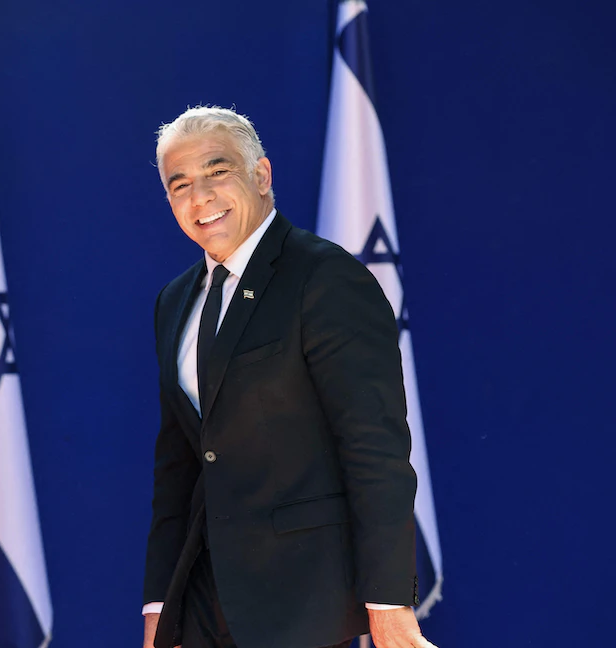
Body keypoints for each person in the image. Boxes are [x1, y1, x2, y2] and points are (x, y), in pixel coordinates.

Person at [142, 106, 437, 648]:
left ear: (261, 175)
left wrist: (390, 602)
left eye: (217, 171)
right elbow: (177, 469)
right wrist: (161, 605)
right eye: (179, 185)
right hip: (206, 600)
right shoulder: (174, 301)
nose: (199, 197)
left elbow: (374, 448)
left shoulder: (325, 277)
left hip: (303, 600)